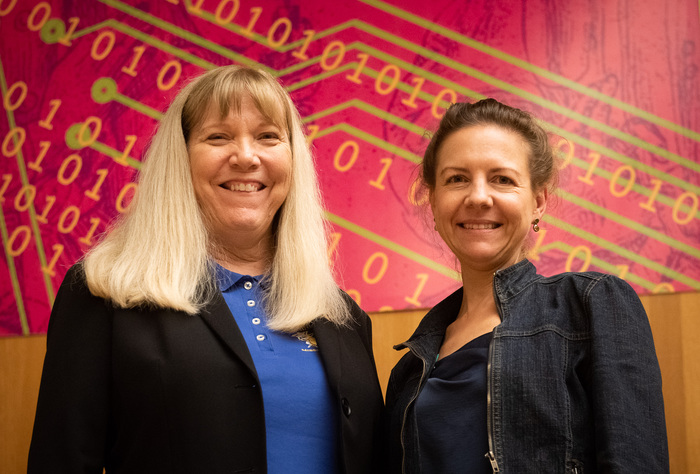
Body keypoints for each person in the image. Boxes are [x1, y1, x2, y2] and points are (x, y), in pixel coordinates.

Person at [28, 65, 384, 474]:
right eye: (218, 137)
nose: (246, 156)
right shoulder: (105, 292)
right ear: (180, 158)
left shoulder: (342, 316)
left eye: (268, 136)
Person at [385, 98, 669, 473]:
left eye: (502, 179)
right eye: (457, 179)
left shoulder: (592, 306)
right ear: (434, 203)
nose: (478, 196)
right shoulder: (409, 367)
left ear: (538, 202)